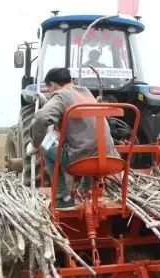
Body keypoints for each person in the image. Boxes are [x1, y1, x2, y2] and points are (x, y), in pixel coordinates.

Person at [30, 67, 115, 210]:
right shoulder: (86, 92)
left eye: (49, 89)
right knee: (89, 143)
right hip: (110, 157)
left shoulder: (60, 95)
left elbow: (42, 117)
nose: (51, 92)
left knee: (46, 147)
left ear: (53, 84)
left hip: (81, 161)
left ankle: (62, 197)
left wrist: (35, 144)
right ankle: (86, 187)